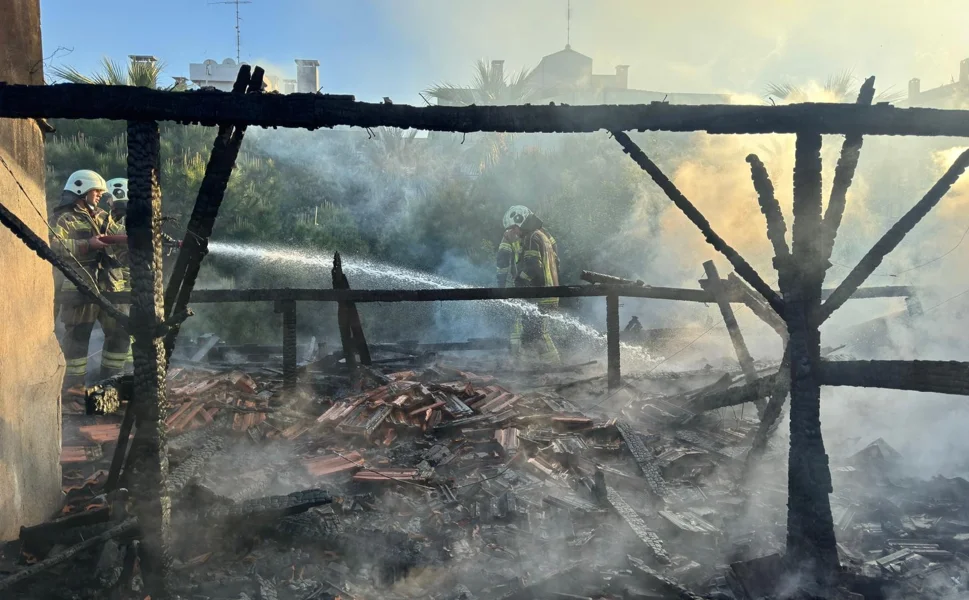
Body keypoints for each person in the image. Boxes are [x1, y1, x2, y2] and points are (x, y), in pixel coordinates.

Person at [50, 170, 120, 396]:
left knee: (119, 333)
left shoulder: (102, 217)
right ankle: (73, 389)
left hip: (107, 288)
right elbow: (53, 247)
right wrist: (86, 244)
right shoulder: (64, 218)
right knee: (78, 339)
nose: (100, 194)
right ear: (81, 190)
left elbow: (120, 239)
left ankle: (113, 385)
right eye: (96, 190)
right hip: (78, 289)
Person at [507, 205, 562, 364]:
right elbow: (556, 263)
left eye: (514, 228)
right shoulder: (542, 236)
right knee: (532, 333)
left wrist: (520, 281)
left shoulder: (531, 237)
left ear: (521, 222)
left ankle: (555, 367)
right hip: (549, 291)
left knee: (539, 333)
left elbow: (533, 267)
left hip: (542, 294)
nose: (515, 232)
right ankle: (536, 365)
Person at [96, 178, 133, 379]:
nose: (107, 202)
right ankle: (121, 373)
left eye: (108, 198)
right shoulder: (118, 218)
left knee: (125, 330)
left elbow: (125, 255)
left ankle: (120, 374)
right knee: (126, 331)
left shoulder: (125, 219)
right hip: (122, 283)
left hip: (128, 283)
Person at [496, 207, 524, 355]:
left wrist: (501, 287)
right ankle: (518, 355)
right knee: (517, 323)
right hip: (520, 286)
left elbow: (502, 263)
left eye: (512, 228)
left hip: (517, 286)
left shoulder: (514, 237)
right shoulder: (530, 236)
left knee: (517, 324)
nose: (510, 231)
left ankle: (517, 355)